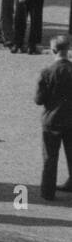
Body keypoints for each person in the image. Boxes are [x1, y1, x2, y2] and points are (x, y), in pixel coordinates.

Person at [35, 35, 72, 200]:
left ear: (53, 50)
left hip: (52, 120)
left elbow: (38, 99)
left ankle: (47, 191)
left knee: (50, 157)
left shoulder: (47, 72)